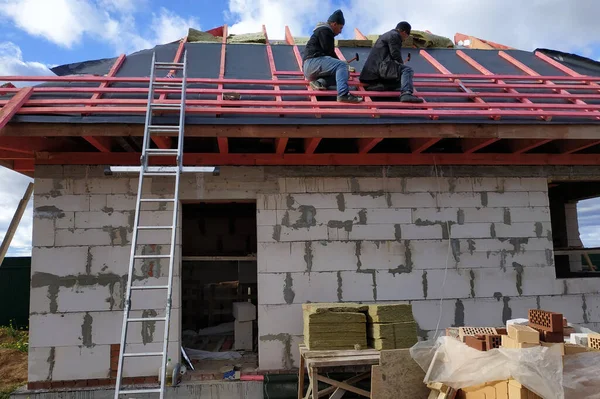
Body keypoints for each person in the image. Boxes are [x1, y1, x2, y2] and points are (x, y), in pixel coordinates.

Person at [302, 10, 363, 103]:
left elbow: (329, 54)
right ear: (334, 24)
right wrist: (342, 64)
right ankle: (343, 94)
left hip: (312, 68)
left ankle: (319, 82)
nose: (340, 31)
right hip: (312, 62)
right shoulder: (325, 30)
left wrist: (342, 66)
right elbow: (329, 52)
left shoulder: (323, 32)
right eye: (340, 28)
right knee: (342, 67)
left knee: (344, 74)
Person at [359, 21, 424, 103]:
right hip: (381, 68)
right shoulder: (395, 35)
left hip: (372, 74)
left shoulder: (387, 35)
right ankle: (406, 94)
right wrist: (401, 65)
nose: (404, 40)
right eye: (406, 37)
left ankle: (377, 87)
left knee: (399, 83)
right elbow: (395, 54)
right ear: (404, 32)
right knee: (407, 70)